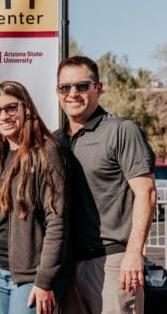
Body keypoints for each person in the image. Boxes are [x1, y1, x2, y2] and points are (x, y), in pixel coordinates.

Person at [54, 56, 156, 314]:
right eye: (65, 87)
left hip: (113, 263)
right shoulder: (55, 141)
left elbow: (147, 193)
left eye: (82, 86)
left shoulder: (121, 130)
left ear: (98, 89)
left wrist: (133, 254)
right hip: (67, 267)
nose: (73, 94)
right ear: (57, 92)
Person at [0, 81, 68, 314]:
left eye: (11, 108)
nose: (4, 116)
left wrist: (45, 280)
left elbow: (57, 220)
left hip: (31, 277)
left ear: (27, 109)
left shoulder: (45, 152)